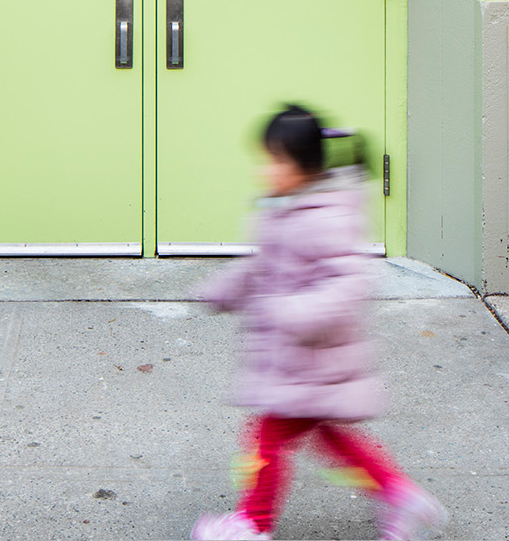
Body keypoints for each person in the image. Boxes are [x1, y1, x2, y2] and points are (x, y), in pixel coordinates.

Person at [191, 104, 448, 541]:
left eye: (276, 160)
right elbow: (261, 267)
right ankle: (403, 497)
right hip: (298, 359)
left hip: (312, 357)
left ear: (304, 168)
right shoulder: (283, 208)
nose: (266, 169)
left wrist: (293, 314)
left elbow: (349, 284)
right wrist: (223, 289)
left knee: (266, 437)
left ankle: (252, 524)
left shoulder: (326, 217)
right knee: (330, 439)